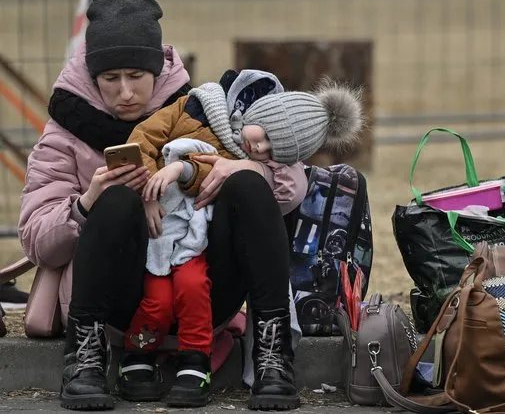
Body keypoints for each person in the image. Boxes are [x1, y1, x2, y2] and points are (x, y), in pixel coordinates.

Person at [16, 0, 309, 411]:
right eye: (110, 79)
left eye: (136, 76)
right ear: (91, 76)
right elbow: (37, 241)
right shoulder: (65, 131)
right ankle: (86, 359)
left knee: (248, 184)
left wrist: (243, 167)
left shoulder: (201, 108)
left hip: (205, 287)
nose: (125, 92)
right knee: (116, 198)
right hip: (118, 299)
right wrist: (86, 203)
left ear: (157, 69)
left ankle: (272, 355)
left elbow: (290, 189)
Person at [120, 74, 364, 407]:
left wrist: (247, 167)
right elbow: (146, 142)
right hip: (161, 233)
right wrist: (149, 189)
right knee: (159, 295)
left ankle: (256, 354)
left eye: (273, 150)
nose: (260, 149)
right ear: (259, 114)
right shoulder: (199, 106)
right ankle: (135, 354)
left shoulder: (275, 169)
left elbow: (285, 193)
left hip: (207, 255)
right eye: (264, 136)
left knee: (244, 194)